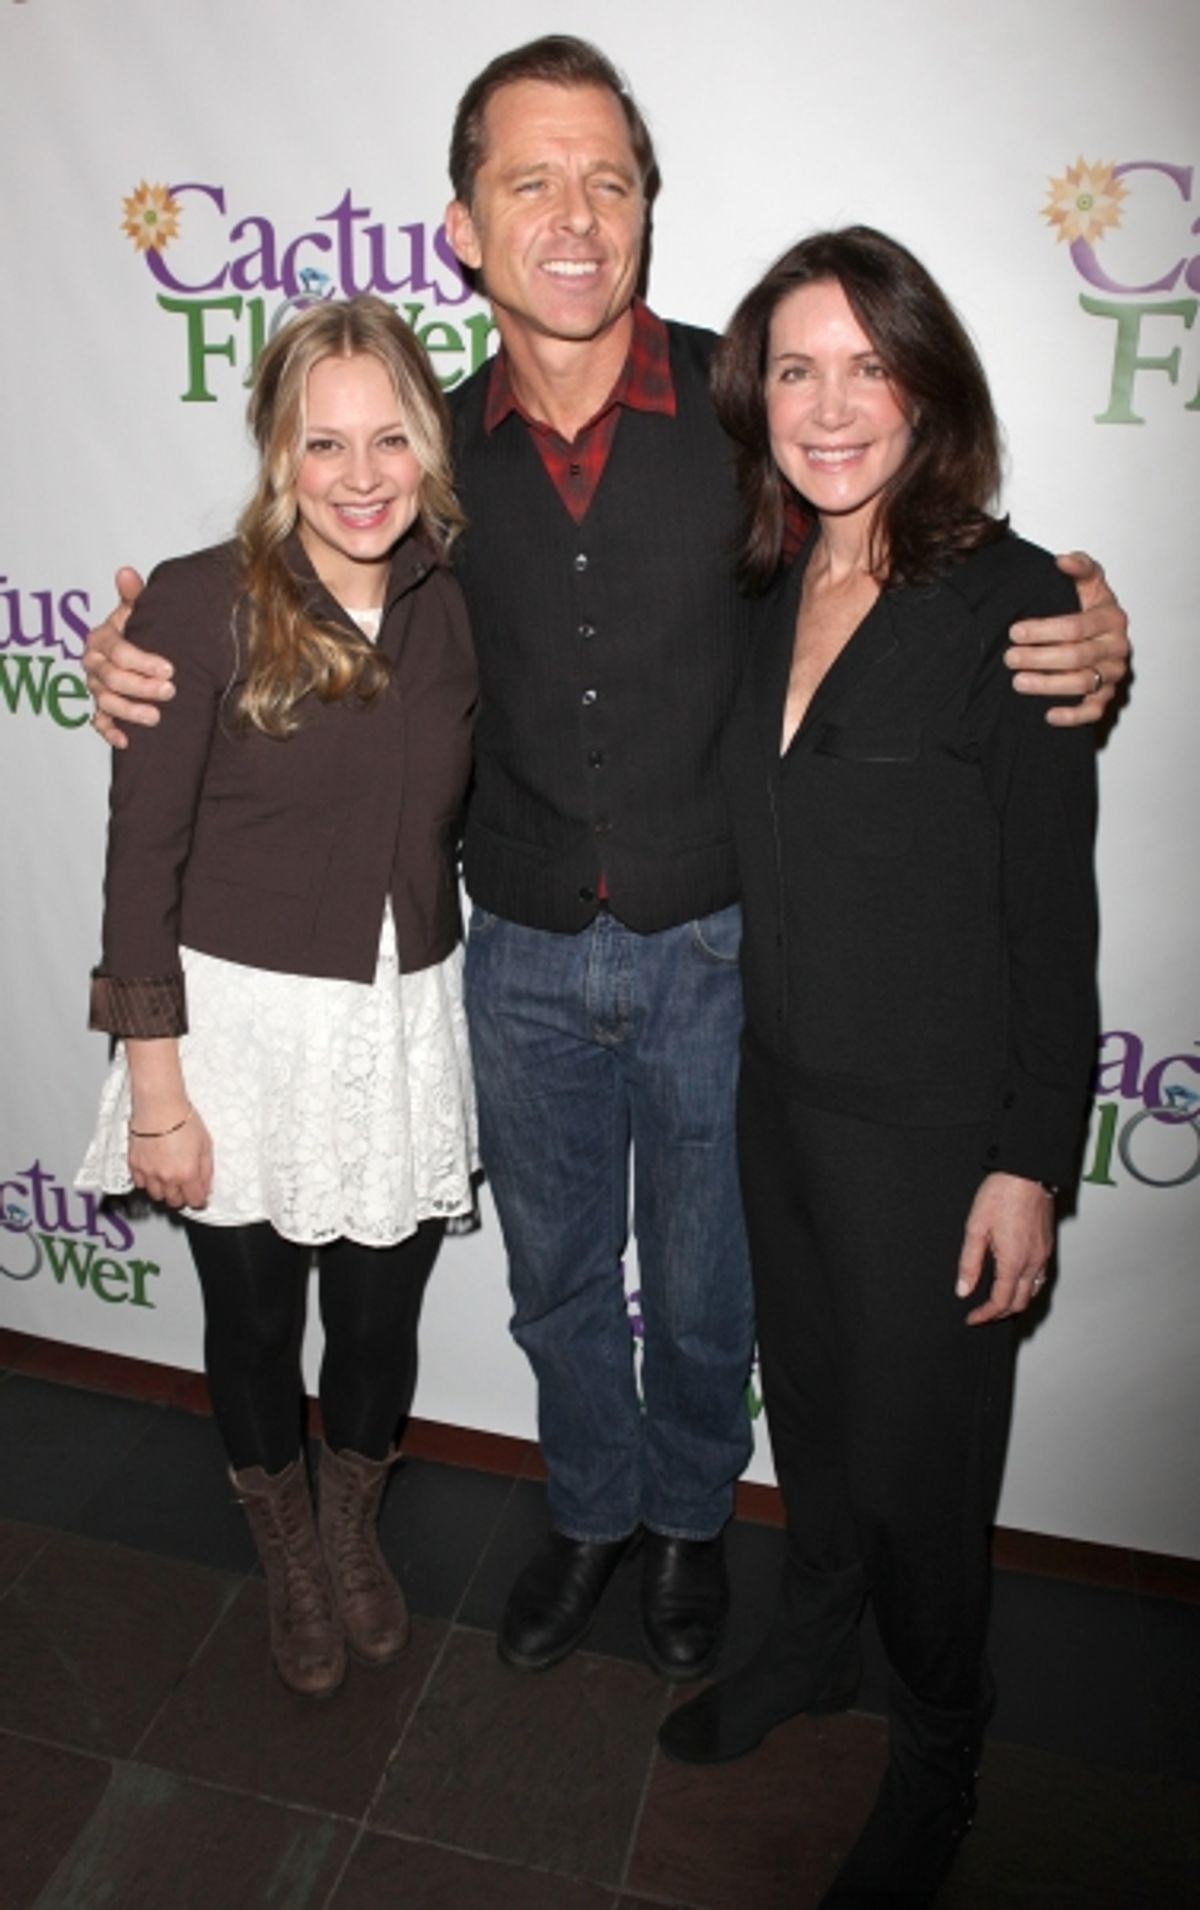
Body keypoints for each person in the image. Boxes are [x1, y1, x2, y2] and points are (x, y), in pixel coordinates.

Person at [81, 38, 1129, 1689]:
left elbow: (903, 541)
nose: (575, 217)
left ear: (647, 207)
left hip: (719, 950)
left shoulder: (749, 410)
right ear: (462, 229)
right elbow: (285, 577)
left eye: (609, 182)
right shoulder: (426, 458)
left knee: (710, 1291)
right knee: (560, 1282)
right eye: (532, 182)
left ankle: (692, 1523)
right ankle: (586, 1512)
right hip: (511, 952)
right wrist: (136, 645)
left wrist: (1074, 611)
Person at [657, 227, 1099, 1907]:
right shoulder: (765, 582)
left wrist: (1028, 1157)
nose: (830, 406)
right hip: (777, 1102)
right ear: (755, 395)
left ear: (928, 388)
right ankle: (812, 1642)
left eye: (868, 366)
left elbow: (1051, 918)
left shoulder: (1017, 607)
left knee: (927, 1482)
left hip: (934, 1142)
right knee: (823, 1427)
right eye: (796, 368)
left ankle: (939, 1752)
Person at [77, 296, 478, 1700]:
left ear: (429, 449)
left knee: (375, 1327)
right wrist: (158, 1092)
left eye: (389, 439)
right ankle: (289, 1551)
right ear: (276, 453)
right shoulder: (199, 602)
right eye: (324, 443)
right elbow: (143, 863)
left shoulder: (456, 603)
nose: (361, 476)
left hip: (400, 1022)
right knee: (252, 1329)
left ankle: (352, 1526)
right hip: (236, 1037)